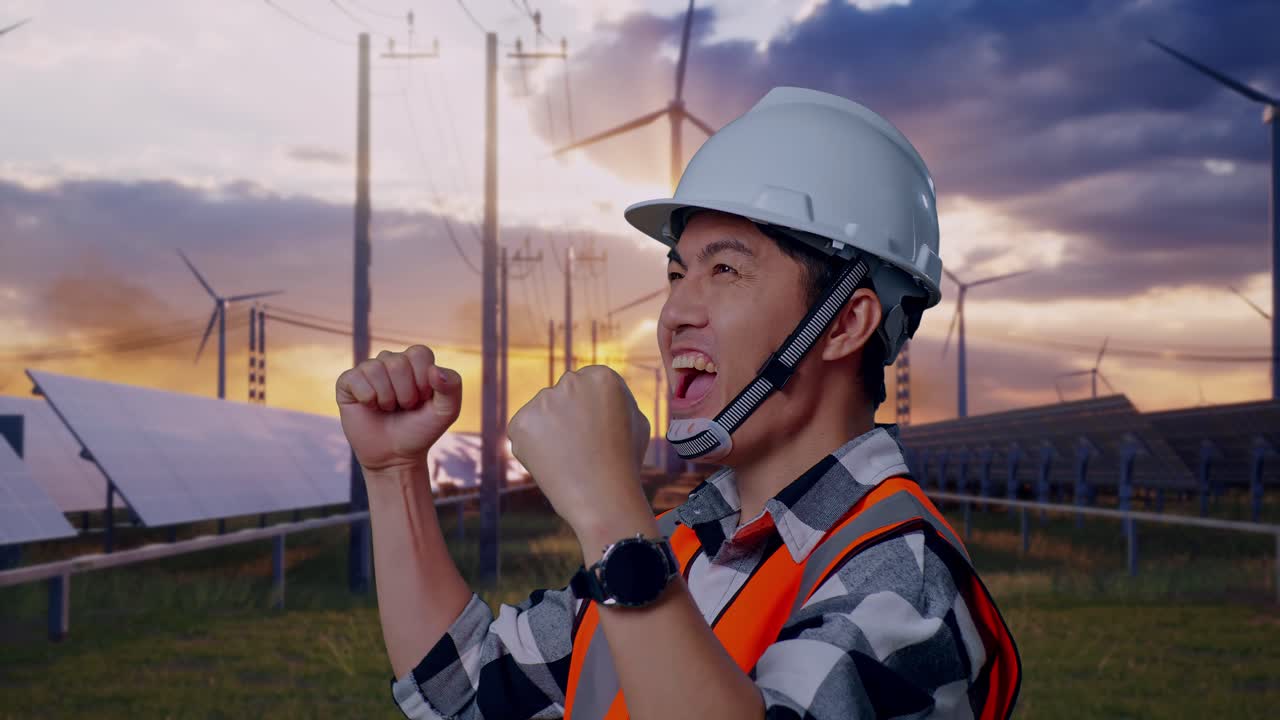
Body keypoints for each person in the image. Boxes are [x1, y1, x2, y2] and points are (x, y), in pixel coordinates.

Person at [337, 86, 1021, 720]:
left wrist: (609, 512)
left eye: (725, 270)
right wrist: (394, 473)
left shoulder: (905, 580)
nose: (673, 315)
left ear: (845, 324)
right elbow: (464, 690)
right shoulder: (683, 549)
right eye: (675, 273)